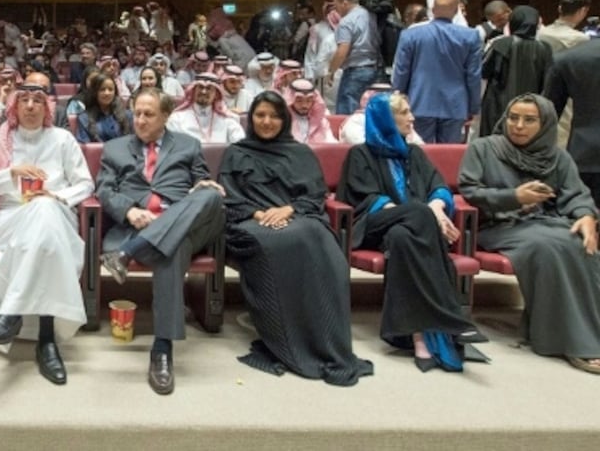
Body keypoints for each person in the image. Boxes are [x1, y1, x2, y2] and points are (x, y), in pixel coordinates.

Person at [218, 91, 373, 385]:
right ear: (250, 118)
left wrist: (288, 209)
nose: (267, 121)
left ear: (285, 119)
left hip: (298, 217)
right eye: (260, 115)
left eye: (275, 116)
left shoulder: (300, 153)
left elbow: (315, 195)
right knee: (281, 244)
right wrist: (259, 214)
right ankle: (288, 339)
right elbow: (229, 199)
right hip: (252, 223)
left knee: (323, 244)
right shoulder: (236, 152)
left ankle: (327, 339)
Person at [337, 93, 484, 371]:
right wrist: (426, 213)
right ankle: (453, 320)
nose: (412, 118)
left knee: (405, 237)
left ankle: (416, 335)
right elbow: (362, 199)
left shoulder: (413, 152)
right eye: (404, 113)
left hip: (409, 231)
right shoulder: (360, 154)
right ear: (385, 120)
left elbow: (438, 186)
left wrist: (438, 208)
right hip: (374, 226)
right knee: (417, 212)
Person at [96, 87, 226, 395]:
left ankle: (127, 255)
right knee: (173, 245)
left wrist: (201, 186)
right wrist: (129, 211)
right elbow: (104, 191)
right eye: (136, 113)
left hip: (180, 218)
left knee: (210, 195)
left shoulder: (188, 145)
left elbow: (201, 181)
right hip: (137, 225)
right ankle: (162, 349)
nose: (140, 120)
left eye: (148, 114)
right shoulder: (114, 148)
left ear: (166, 116)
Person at [459, 94, 600, 374]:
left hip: (545, 223)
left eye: (529, 120)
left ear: (545, 124)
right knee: (549, 246)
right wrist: (514, 197)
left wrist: (586, 216)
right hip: (499, 227)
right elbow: (470, 190)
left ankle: (584, 332)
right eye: (513, 118)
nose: (519, 125)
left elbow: (577, 194)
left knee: (581, 243)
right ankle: (572, 343)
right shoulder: (485, 148)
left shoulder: (557, 157)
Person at [0, 81, 93, 384]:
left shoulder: (63, 139)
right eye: (23, 100)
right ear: (13, 106)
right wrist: (10, 174)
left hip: (55, 214)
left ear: (47, 107)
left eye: (37, 101)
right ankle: (46, 341)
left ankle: (11, 313)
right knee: (46, 230)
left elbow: (85, 184)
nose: (29, 106)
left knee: (45, 216)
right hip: (7, 218)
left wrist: (56, 197)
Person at [390, 0, 481, 144]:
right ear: (456, 11)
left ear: (432, 10)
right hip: (455, 104)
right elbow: (473, 75)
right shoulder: (471, 36)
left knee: (419, 150)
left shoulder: (410, 35)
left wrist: (399, 98)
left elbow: (401, 71)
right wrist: (473, 107)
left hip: (419, 100)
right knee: (449, 155)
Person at [478, 6, 553, 138]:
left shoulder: (501, 44)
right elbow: (548, 79)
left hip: (497, 104)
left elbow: (484, 71)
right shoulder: (545, 48)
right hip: (531, 104)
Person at [545, 37, 600, 204]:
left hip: (584, 150)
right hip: (584, 155)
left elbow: (549, 112)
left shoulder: (568, 58)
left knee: (584, 219)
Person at [538, 0, 591, 148]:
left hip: (539, 86)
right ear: (583, 11)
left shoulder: (541, 33)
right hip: (568, 91)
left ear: (560, 8)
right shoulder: (580, 39)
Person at [328, 0, 380, 115]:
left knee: (347, 113)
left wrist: (331, 71)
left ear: (344, 3)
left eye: (336, 6)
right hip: (374, 69)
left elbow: (343, 50)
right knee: (368, 111)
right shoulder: (371, 16)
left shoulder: (346, 21)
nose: (336, 11)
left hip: (355, 71)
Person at [167, 73, 244, 144]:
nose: (204, 92)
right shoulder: (176, 119)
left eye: (209, 88)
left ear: (216, 94)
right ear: (193, 91)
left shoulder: (227, 119)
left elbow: (240, 144)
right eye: (200, 87)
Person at [75, 73, 132, 144]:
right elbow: (84, 146)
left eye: (110, 89)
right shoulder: (84, 118)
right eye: (102, 89)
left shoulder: (128, 115)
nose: (107, 93)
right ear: (95, 92)